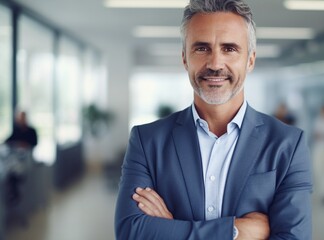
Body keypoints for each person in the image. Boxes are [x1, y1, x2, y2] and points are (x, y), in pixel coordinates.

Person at [115, 0, 313, 239]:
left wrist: (172, 227)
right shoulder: (147, 141)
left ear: (250, 60)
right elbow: (131, 232)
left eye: (229, 48)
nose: (215, 64)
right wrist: (235, 231)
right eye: (202, 48)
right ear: (185, 58)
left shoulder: (288, 145)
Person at [4, 110, 38, 204]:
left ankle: (15, 193)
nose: (21, 120)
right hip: (15, 159)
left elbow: (35, 143)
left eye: (23, 117)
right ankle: (13, 193)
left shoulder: (31, 131)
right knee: (11, 169)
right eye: (19, 118)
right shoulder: (16, 130)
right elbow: (7, 141)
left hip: (27, 159)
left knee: (16, 170)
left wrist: (25, 145)